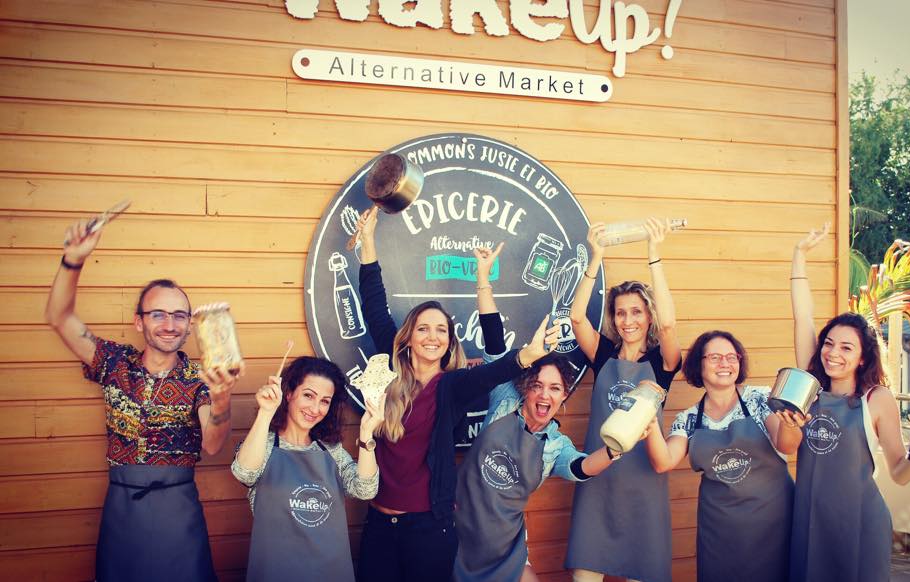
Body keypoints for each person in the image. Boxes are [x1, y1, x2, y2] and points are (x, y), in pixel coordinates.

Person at [353, 208, 558, 582]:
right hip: (379, 525)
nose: (432, 337)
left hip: (428, 529)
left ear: (449, 342)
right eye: (423, 329)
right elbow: (374, 306)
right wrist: (367, 242)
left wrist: (529, 355)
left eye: (441, 331)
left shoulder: (452, 386)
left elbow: (496, 370)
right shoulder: (391, 370)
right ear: (409, 338)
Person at [45, 220, 240, 581]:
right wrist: (73, 259)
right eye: (158, 314)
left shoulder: (200, 377)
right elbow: (59, 317)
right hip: (122, 509)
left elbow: (213, 445)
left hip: (178, 511)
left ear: (190, 324)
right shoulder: (113, 363)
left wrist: (222, 396)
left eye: (179, 316)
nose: (170, 324)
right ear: (139, 322)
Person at [789, 223, 910, 582]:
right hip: (810, 521)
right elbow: (802, 316)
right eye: (828, 343)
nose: (833, 353)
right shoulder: (810, 387)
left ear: (862, 357)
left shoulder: (876, 399)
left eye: (846, 347)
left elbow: (899, 473)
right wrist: (799, 255)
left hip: (860, 523)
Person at [453, 247, 622, 582]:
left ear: (563, 396)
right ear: (526, 386)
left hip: (505, 541)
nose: (545, 394)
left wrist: (613, 450)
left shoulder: (555, 445)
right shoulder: (504, 397)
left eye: (555, 388)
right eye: (538, 385)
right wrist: (483, 278)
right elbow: (493, 339)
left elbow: (581, 468)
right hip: (459, 526)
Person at [563, 219, 682, 582]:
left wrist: (654, 254)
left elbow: (669, 326)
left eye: (636, 311)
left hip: (643, 489)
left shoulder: (662, 363)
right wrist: (595, 258)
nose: (628, 320)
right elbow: (576, 317)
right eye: (620, 312)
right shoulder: (603, 354)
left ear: (648, 315)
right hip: (598, 482)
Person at [645, 330, 803, 582]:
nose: (725, 363)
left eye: (732, 357)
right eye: (715, 357)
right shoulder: (689, 418)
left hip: (774, 522)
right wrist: (650, 421)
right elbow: (663, 462)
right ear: (699, 364)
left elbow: (786, 445)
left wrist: (790, 424)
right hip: (719, 530)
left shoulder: (759, 398)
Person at [232, 357, 382, 581]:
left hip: (329, 572)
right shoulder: (263, 444)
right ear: (289, 393)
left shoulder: (331, 450)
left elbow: (365, 490)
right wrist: (266, 412)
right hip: (276, 573)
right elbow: (244, 472)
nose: (315, 408)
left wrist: (366, 434)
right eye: (308, 395)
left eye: (325, 401)